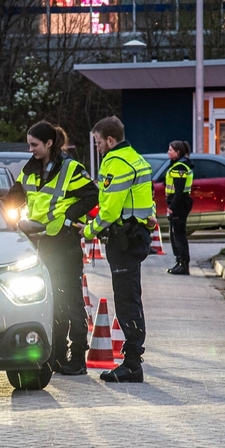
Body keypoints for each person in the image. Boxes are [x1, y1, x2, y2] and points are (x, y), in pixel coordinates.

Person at [6, 122, 98, 375]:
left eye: (34, 144)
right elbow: (14, 196)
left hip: (65, 242)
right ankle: (57, 355)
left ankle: (78, 358)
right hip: (42, 243)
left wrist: (69, 217)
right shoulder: (30, 168)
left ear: (49, 143)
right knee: (51, 301)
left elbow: (92, 195)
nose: (30, 149)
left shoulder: (71, 168)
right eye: (29, 144)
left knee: (70, 300)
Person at [82, 116, 155, 383]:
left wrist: (89, 230)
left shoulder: (115, 163)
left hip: (123, 239)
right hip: (137, 235)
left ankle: (132, 364)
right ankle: (133, 360)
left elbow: (110, 209)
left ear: (110, 140)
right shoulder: (137, 158)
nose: (98, 147)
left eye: (98, 142)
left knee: (126, 301)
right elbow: (147, 200)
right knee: (131, 296)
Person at [164, 140, 194, 275]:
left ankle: (184, 264)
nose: (168, 152)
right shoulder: (177, 165)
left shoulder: (179, 167)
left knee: (179, 235)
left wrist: (172, 207)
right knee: (175, 234)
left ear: (177, 152)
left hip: (179, 204)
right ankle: (179, 261)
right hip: (179, 203)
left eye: (170, 150)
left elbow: (179, 190)